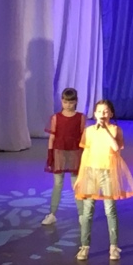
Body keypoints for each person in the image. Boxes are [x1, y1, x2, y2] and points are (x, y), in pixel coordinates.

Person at [73, 99, 133, 260]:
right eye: (99, 111)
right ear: (95, 114)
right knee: (87, 211)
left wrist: (105, 130)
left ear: (111, 114)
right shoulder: (89, 131)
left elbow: (116, 148)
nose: (102, 114)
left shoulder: (115, 130)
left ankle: (113, 247)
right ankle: (84, 246)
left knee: (110, 210)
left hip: (108, 173)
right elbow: (85, 154)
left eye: (106, 111)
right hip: (90, 172)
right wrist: (80, 176)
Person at [42, 87, 85, 226]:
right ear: (61, 101)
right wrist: (50, 154)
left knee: (76, 184)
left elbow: (83, 137)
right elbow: (52, 138)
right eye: (65, 102)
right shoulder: (56, 118)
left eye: (71, 102)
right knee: (58, 184)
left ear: (76, 101)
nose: (68, 105)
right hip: (59, 153)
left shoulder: (80, 117)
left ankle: (81, 214)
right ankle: (52, 214)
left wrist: (84, 154)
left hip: (75, 153)